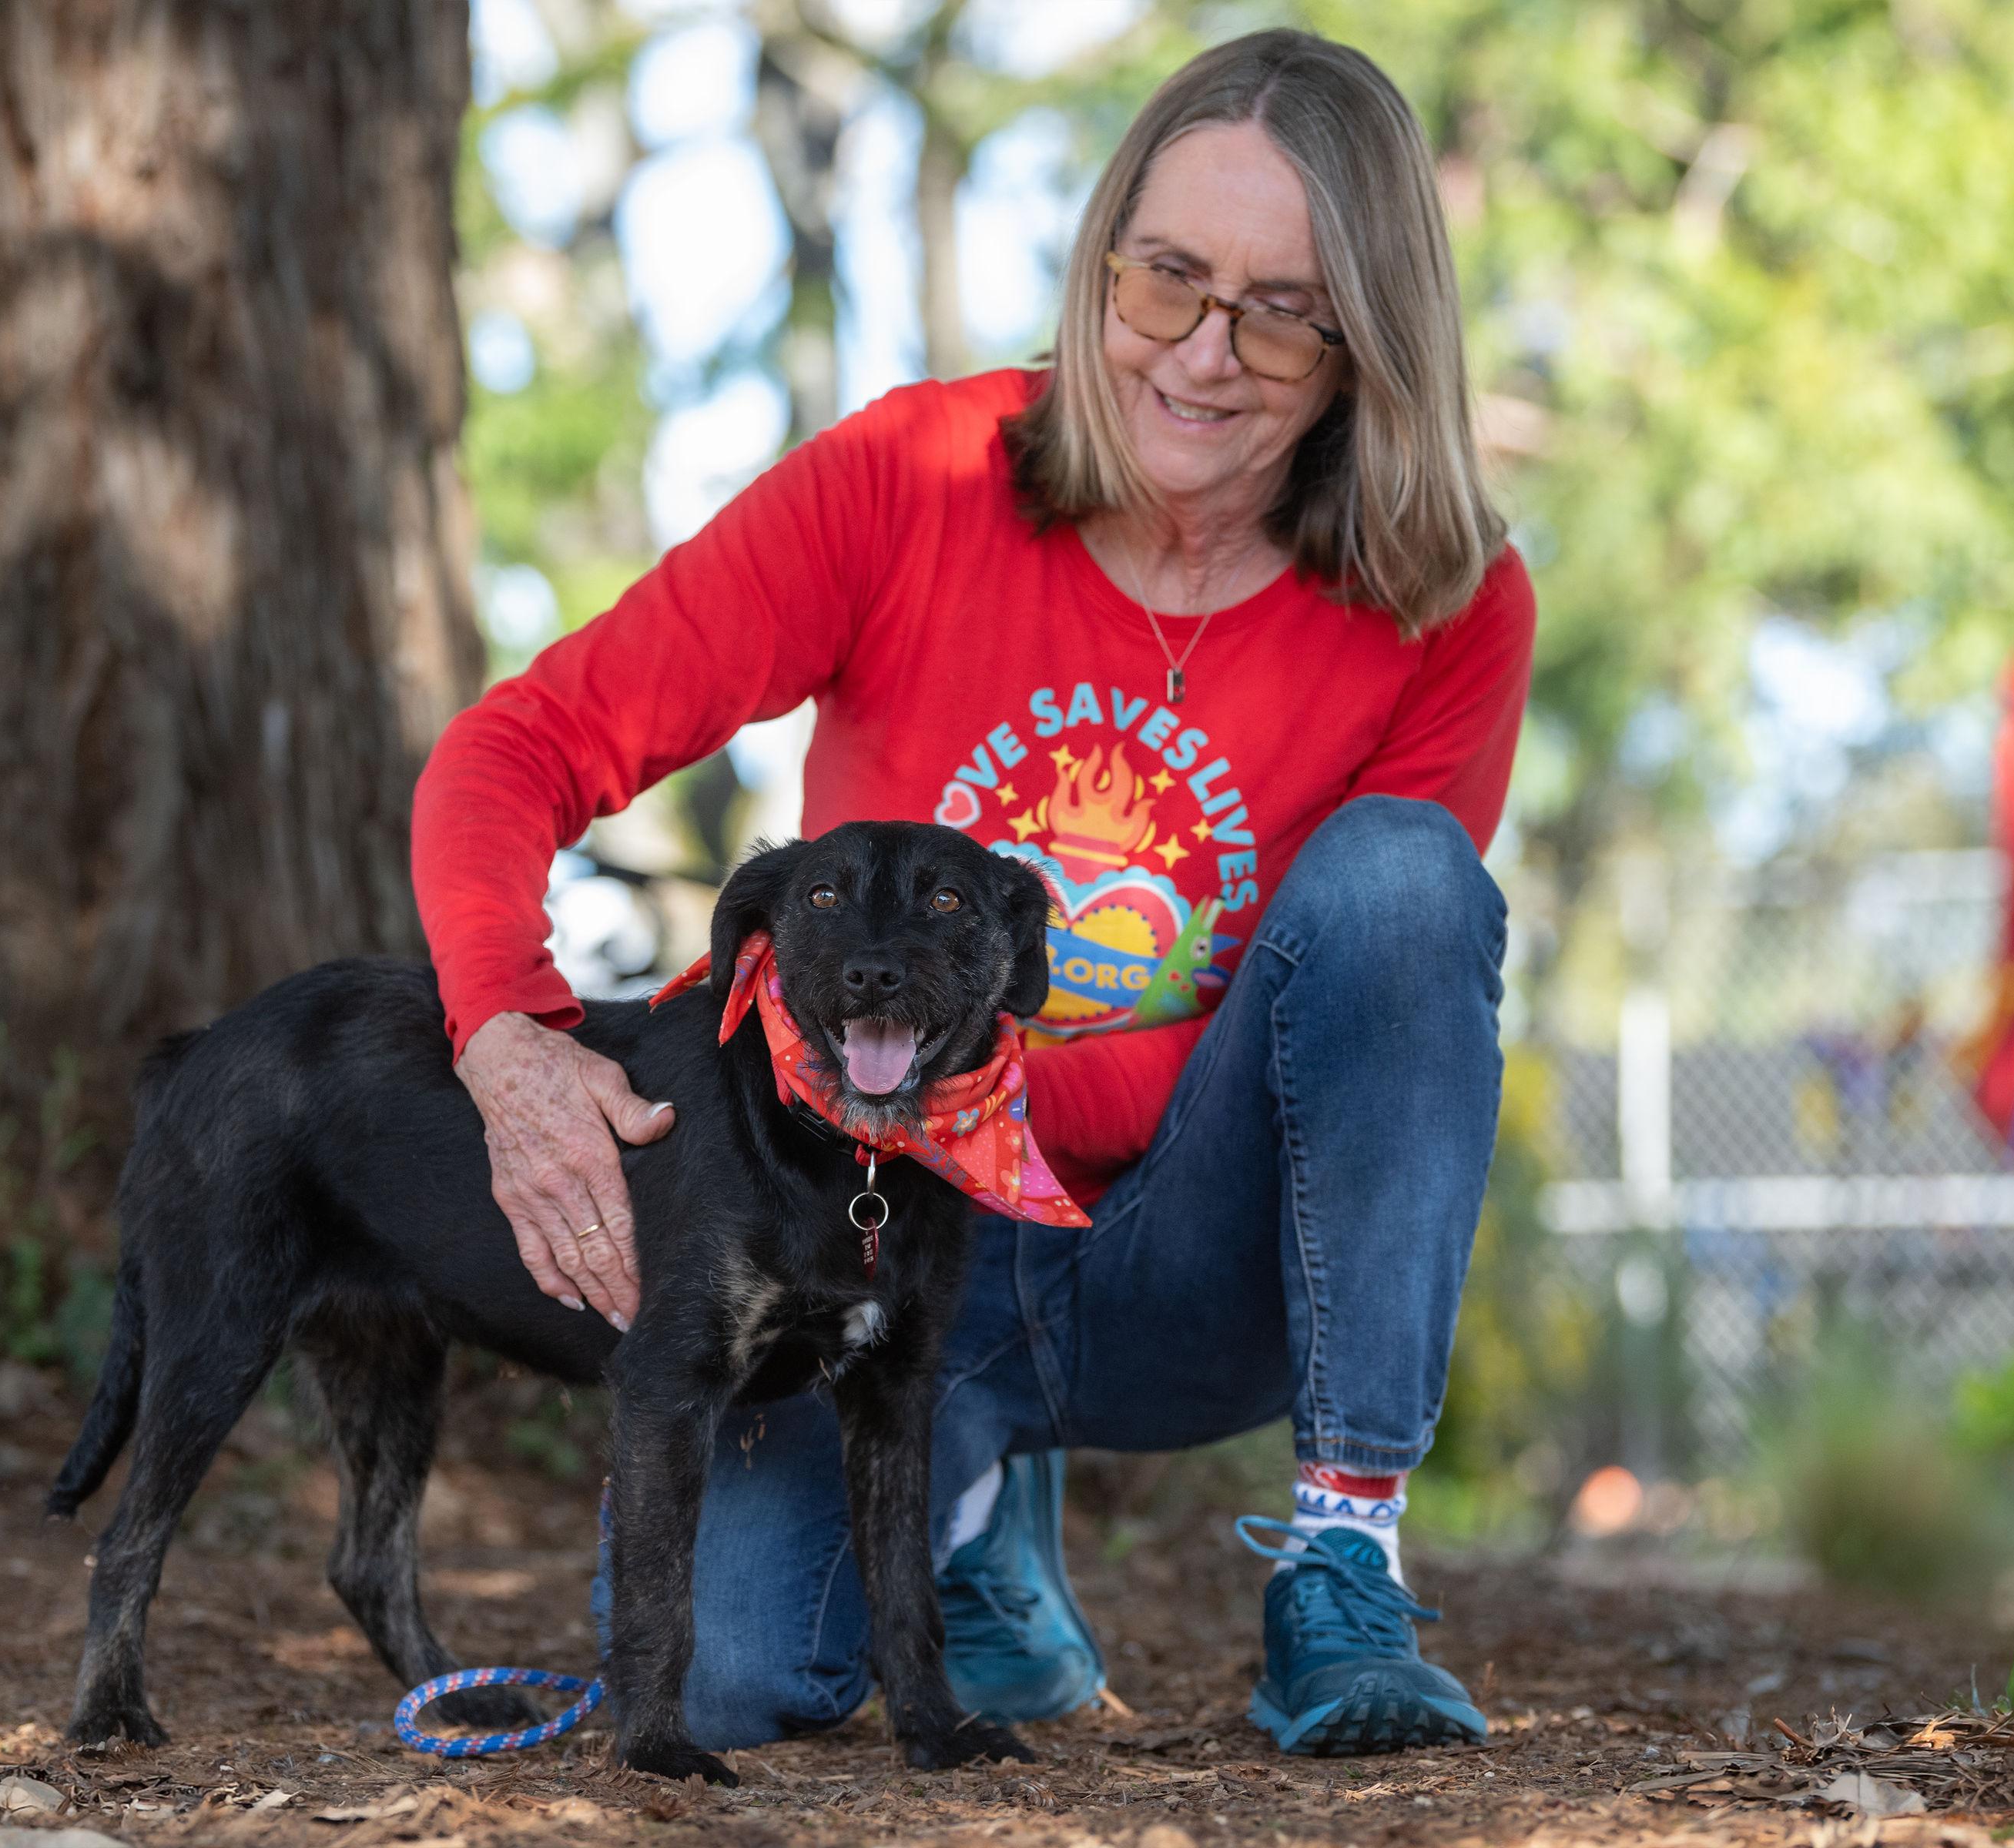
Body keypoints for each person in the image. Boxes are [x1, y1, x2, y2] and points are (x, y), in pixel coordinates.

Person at [413, 28, 1533, 1756]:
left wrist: (1000, 1092)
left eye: (1285, 309)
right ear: (1100, 266)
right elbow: (514, 749)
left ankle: (1345, 1563)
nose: (1205, 356)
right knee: (727, 1683)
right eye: (1168, 281)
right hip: (855, 1224)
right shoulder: (913, 477)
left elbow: (1359, 1025)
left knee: (1407, 887)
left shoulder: (1445, 602)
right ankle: (971, 1513)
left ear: (1369, 338)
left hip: (1185, 1252)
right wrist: (505, 1032)